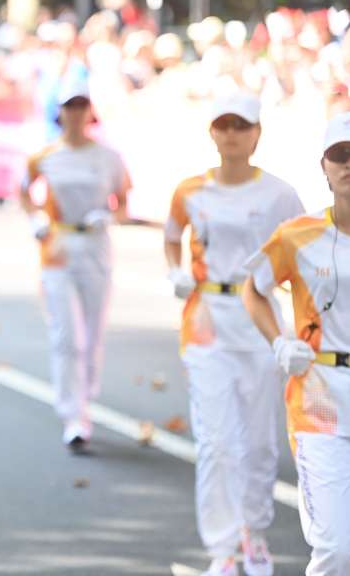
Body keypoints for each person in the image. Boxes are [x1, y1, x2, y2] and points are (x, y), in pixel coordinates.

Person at [164, 93, 304, 576]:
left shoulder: (281, 195)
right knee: (217, 440)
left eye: (240, 126)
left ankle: (254, 532)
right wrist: (174, 270)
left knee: (261, 440)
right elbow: (170, 234)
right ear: (211, 132)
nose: (231, 134)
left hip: (261, 322)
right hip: (206, 323)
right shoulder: (190, 190)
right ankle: (223, 547)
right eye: (222, 125)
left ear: (257, 133)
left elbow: (303, 257)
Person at [243, 111, 350, 576]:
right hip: (320, 395)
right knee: (336, 549)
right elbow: (254, 288)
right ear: (324, 167)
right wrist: (280, 343)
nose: (349, 165)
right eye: (340, 155)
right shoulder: (299, 235)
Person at [21, 77, 130, 451]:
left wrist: (111, 216)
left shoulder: (109, 158)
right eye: (70, 106)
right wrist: (36, 218)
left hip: (96, 245)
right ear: (60, 113)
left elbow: (124, 200)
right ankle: (74, 415)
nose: (76, 113)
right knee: (68, 336)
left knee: (93, 334)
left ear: (90, 111)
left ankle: (85, 397)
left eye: (82, 105)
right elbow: (24, 191)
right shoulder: (45, 156)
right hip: (59, 248)